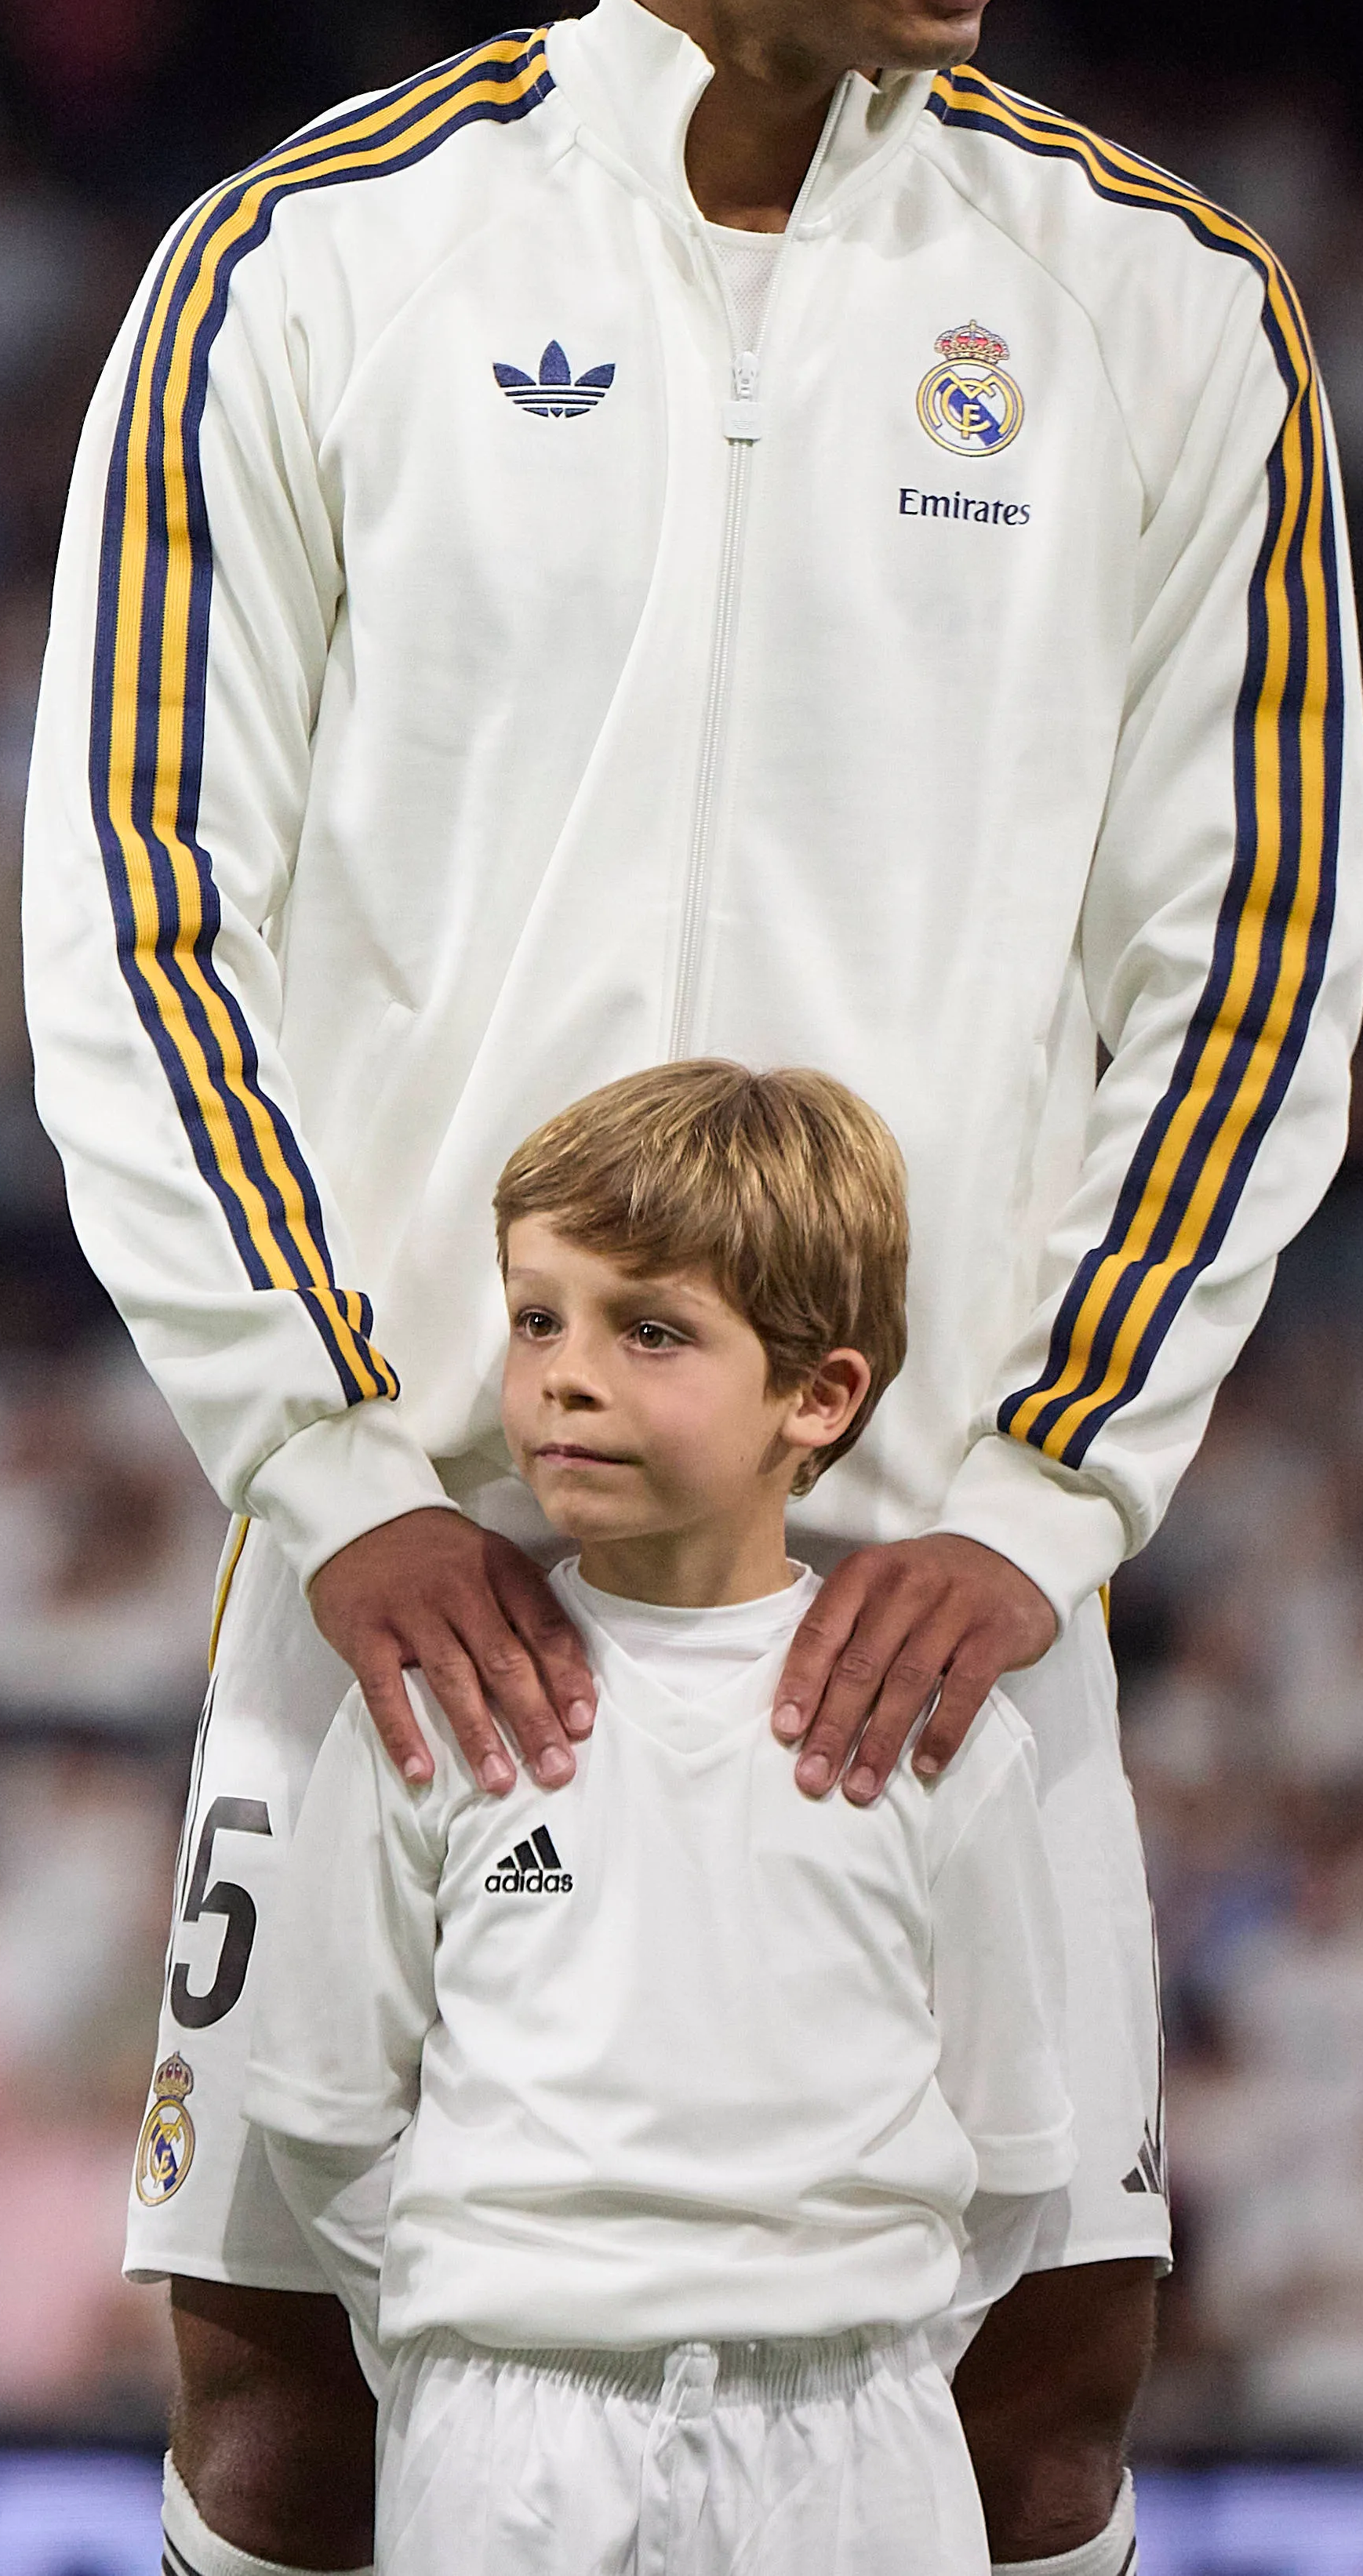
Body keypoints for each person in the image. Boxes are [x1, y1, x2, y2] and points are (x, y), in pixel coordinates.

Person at [22, 0, 1363, 2576]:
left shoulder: (1162, 312)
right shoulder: (308, 267)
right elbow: (131, 903)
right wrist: (324, 1467)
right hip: (424, 1526)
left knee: (1038, 2390)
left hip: (930, 1556)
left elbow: (1251, 952)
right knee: (275, 2398)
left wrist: (1048, 1486)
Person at [249, 1063, 1072, 2575]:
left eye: (649, 1329)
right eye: (536, 1316)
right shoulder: (433, 1705)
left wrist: (834, 2345)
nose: (565, 1373)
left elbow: (1011, 2152)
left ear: (817, 1394)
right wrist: (489, 2326)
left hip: (857, 2439)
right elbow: (316, 2112)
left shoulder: (937, 1732)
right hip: (499, 2438)